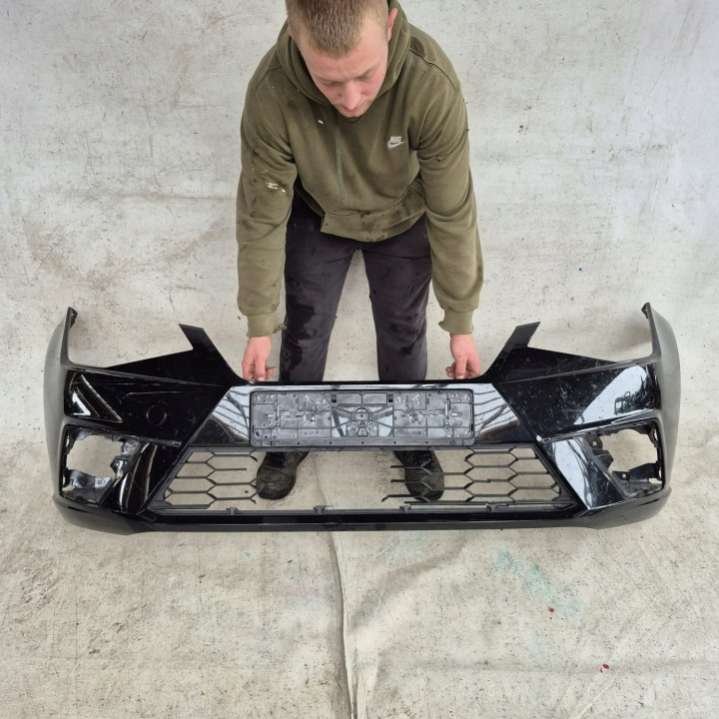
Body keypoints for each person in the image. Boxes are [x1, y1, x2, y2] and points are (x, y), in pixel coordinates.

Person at [236, 0, 483, 501]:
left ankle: (410, 437)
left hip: (403, 213)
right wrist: (259, 323)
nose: (351, 100)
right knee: (305, 328)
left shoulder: (429, 83)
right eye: (330, 82)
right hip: (317, 213)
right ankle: (289, 436)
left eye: (366, 75)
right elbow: (261, 217)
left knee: (403, 328)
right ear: (295, 37)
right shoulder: (272, 92)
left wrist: (461, 322)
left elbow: (453, 210)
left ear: (389, 26)